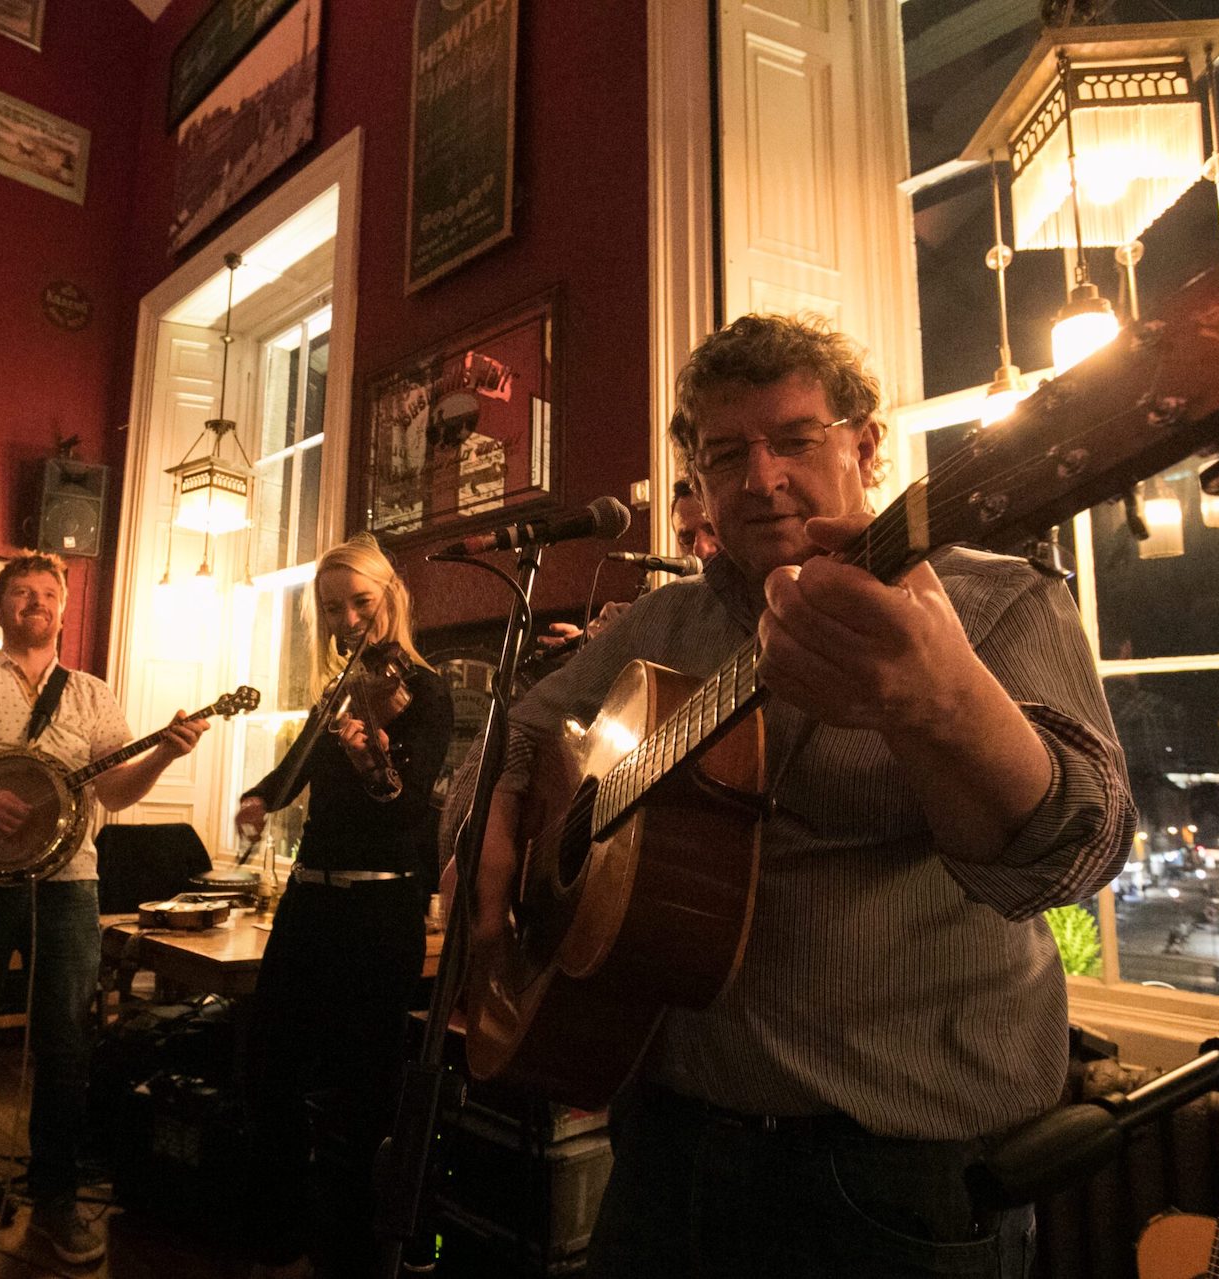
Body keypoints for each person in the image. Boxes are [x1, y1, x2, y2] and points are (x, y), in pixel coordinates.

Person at [474, 314, 1134, 1278]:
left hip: (895, 1185)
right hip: (662, 1153)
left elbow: (1076, 854)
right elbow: (516, 735)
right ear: (695, 478)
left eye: (792, 439)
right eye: (725, 453)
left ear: (865, 445)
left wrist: (940, 705)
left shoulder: (999, 602)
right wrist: (486, 812)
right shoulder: (660, 622)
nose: (760, 477)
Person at [0, 552, 208, 1277]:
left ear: (62, 608)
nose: (36, 601)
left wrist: (163, 756)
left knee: (65, 1049)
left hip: (69, 888)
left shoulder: (90, 694)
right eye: (20, 592)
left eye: (49, 592)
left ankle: (54, 1198)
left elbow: (114, 794)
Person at [233, 533, 454, 1279]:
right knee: (266, 1067)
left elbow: (403, 809)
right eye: (334, 607)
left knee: (362, 1091)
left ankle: (353, 1254)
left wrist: (373, 753)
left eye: (360, 600)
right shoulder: (339, 689)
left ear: (389, 596)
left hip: (378, 909)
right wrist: (263, 794)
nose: (349, 617)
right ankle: (276, 1236)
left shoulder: (424, 690)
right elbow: (297, 761)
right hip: (310, 900)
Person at [536, 476, 719, 654]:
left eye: (712, 530)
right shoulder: (673, 614)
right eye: (686, 539)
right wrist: (590, 652)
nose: (700, 550)